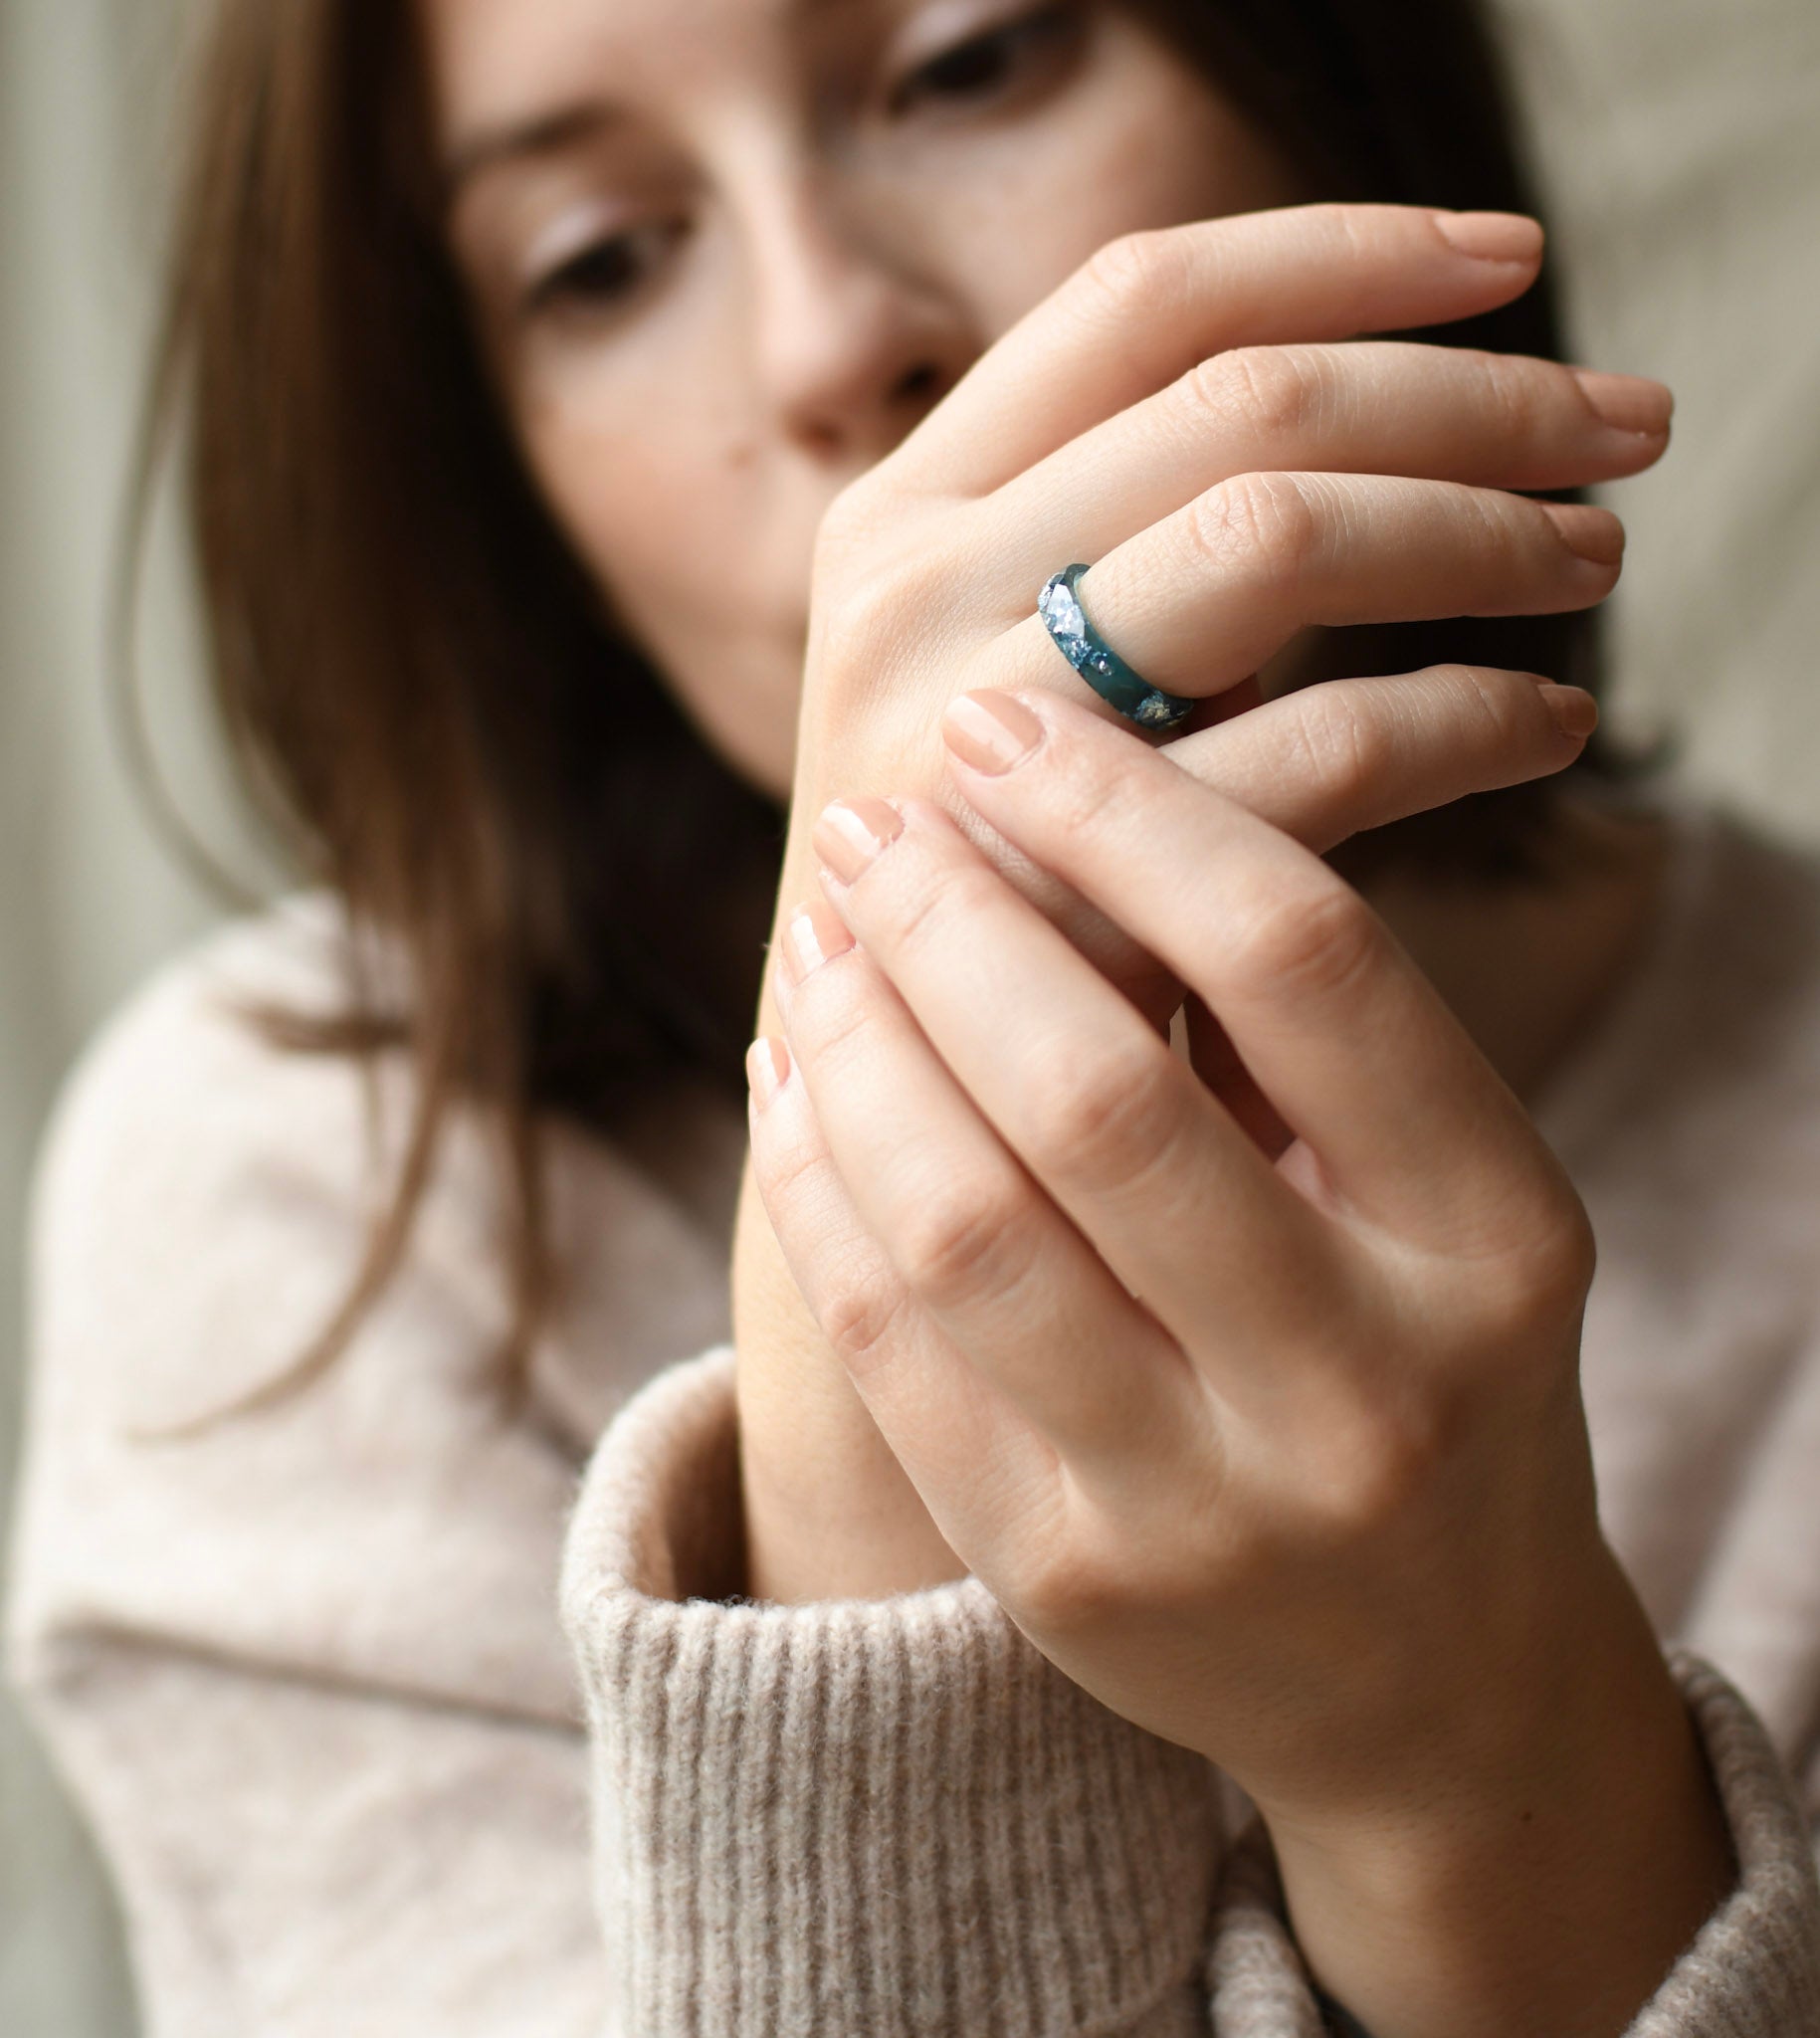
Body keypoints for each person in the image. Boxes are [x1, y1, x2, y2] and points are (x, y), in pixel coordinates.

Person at [6, 0, 1818, 2030]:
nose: (822, 341)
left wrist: (1483, 1770)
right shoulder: (298, 1211)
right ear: (499, 476)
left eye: (973, 61)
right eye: (599, 258)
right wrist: (855, 1438)